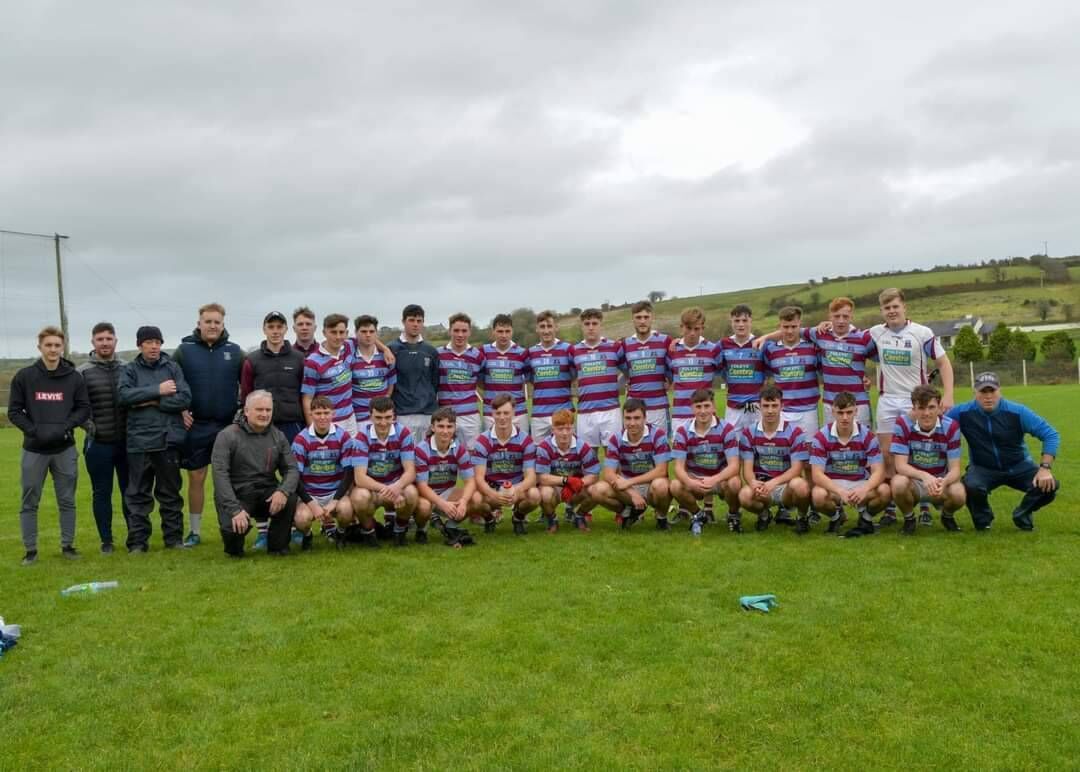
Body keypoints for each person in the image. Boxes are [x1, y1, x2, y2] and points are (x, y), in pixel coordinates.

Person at [868, 287, 954, 524]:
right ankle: (890, 508)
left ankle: (924, 504)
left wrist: (948, 395)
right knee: (887, 455)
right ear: (882, 311)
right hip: (887, 399)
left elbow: (943, 363)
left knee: (918, 451)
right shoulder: (875, 333)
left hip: (917, 401)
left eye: (895, 306)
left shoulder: (922, 333)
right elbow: (851, 348)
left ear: (904, 307)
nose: (891, 311)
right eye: (887, 308)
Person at [9, 326, 91, 565]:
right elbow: (14, 410)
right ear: (40, 347)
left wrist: (64, 427)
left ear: (62, 347)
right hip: (34, 449)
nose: (53, 349)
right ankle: (31, 550)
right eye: (48, 345)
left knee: (67, 500)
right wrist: (34, 431)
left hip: (64, 449)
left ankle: (68, 546)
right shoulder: (25, 376)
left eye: (57, 345)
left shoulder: (74, 377)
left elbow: (83, 408)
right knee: (29, 501)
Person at [946, 372, 1060, 531]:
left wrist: (1045, 468)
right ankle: (983, 521)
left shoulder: (1018, 412)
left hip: (1018, 466)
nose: (988, 396)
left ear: (1000, 391)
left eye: (992, 391)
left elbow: (1050, 434)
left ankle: (1023, 513)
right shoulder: (962, 412)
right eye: (983, 392)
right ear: (975, 393)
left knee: (1049, 485)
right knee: (971, 485)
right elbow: (937, 425)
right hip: (983, 468)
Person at [172, 302, 245, 547]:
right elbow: (169, 381)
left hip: (227, 425)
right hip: (197, 425)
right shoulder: (184, 350)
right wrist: (181, 408)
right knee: (197, 476)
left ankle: (235, 525)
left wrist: (242, 411)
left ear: (223, 325)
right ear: (199, 323)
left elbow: (247, 385)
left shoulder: (235, 352)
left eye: (217, 322)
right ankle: (194, 531)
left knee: (230, 478)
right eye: (208, 321)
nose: (212, 326)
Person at [118, 326, 192, 553]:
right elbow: (123, 396)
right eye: (149, 342)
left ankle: (174, 540)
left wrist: (153, 401)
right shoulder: (130, 369)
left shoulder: (172, 367)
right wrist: (157, 390)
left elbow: (185, 397)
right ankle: (138, 543)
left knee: (170, 493)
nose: (154, 346)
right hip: (139, 441)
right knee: (138, 495)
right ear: (140, 345)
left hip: (168, 440)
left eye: (157, 342)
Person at [210, 390, 299, 557]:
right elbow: (220, 476)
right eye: (259, 410)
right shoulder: (227, 436)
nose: (264, 414)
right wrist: (235, 509)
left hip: (266, 492)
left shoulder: (278, 436)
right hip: (238, 494)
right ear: (246, 411)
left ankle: (277, 547)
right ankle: (234, 545)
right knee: (233, 541)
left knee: (289, 498)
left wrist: (283, 491)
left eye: (268, 410)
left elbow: (292, 469)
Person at [77, 321, 131, 554]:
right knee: (102, 492)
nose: (105, 343)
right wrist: (91, 428)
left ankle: (135, 537)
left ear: (115, 341)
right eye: (100, 339)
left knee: (131, 491)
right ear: (93, 342)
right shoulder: (82, 372)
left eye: (109, 338)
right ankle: (106, 540)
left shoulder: (127, 368)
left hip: (128, 443)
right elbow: (74, 407)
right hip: (98, 444)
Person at [809, 392, 891, 538]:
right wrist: (840, 492)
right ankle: (836, 517)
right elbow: (816, 474)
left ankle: (865, 519)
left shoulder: (868, 436)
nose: (845, 417)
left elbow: (879, 471)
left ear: (856, 411)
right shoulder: (821, 436)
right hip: (834, 485)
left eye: (849, 412)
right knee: (817, 495)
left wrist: (864, 489)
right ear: (833, 412)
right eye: (840, 413)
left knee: (885, 491)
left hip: (859, 483)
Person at [737, 384, 814, 534]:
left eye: (774, 405)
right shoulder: (749, 433)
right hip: (762, 485)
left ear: (782, 406)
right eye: (766, 405)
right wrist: (753, 483)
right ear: (759, 406)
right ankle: (764, 515)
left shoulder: (795, 432)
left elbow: (797, 468)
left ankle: (802, 517)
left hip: (786, 487)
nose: (770, 410)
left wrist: (774, 483)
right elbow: (747, 468)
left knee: (802, 486)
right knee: (744, 495)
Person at [890, 385, 965, 534]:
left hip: (940, 482)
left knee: (959, 493)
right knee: (898, 483)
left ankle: (947, 516)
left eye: (931, 407)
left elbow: (956, 469)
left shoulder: (951, 427)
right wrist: (924, 476)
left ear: (939, 407)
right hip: (915, 482)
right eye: (921, 408)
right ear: (914, 408)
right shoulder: (903, 424)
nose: (927, 413)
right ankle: (909, 519)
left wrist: (944, 482)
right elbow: (900, 466)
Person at [350, 396, 424, 546]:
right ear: (370, 415)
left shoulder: (403, 433)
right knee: (359, 497)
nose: (383, 422)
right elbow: (360, 478)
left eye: (388, 417)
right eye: (378, 418)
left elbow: (410, 471)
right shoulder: (361, 436)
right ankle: (369, 532)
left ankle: (399, 531)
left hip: (397, 486)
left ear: (394, 416)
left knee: (411, 492)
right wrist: (387, 490)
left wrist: (397, 487)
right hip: (373, 489)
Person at [590, 398, 672, 530]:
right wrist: (632, 492)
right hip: (627, 489)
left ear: (645, 418)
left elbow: (661, 471)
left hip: (651, 485)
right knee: (597, 490)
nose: (632, 423)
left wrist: (629, 482)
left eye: (636, 418)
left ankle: (661, 518)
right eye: (628, 418)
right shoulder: (616, 438)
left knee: (661, 485)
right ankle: (628, 511)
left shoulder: (658, 435)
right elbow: (608, 473)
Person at [670, 389, 742, 535]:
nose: (703, 411)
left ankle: (733, 515)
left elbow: (734, 466)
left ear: (714, 407)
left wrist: (714, 479)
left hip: (719, 479)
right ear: (692, 408)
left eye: (706, 406)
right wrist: (690, 482)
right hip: (695, 478)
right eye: (698, 407)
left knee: (735, 483)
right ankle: (698, 514)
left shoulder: (727, 429)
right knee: (675, 485)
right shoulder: (682, 431)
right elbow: (678, 467)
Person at [291, 395, 356, 550]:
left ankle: (340, 533)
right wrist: (311, 504)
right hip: (311, 493)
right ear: (311, 414)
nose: (322, 417)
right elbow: (295, 477)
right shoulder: (301, 440)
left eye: (326, 413)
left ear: (333, 414)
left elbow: (349, 473)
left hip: (335, 492)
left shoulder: (343, 437)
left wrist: (335, 500)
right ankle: (307, 535)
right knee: (301, 519)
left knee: (346, 511)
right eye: (318, 413)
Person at [470, 393, 541, 534]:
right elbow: (478, 478)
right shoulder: (482, 441)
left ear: (513, 413)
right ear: (492, 414)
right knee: (476, 499)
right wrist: (494, 495)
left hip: (516, 487)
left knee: (534, 495)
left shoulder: (525, 440)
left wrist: (517, 490)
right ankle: (489, 519)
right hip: (493, 488)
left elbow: (531, 477)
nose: (502, 417)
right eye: (498, 413)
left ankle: (518, 517)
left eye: (506, 413)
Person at [415, 407, 478, 547]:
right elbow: (422, 486)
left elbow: (470, 481)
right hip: (426, 495)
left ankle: (450, 527)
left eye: (449, 426)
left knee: (475, 498)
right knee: (424, 507)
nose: (445, 431)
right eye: (441, 426)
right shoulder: (421, 449)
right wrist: (441, 503)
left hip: (446, 493)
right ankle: (421, 529)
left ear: (455, 428)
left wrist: (463, 501)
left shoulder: (459, 449)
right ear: (433, 427)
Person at [240, 311, 305, 445]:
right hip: (262, 425)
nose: (275, 331)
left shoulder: (299, 358)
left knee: (293, 466)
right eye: (271, 327)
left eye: (279, 327)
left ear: (286, 329)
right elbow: (246, 395)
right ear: (264, 329)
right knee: (262, 466)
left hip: (293, 425)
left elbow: (305, 393)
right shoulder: (252, 360)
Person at [536, 408, 601, 533]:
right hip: (554, 487)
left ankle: (579, 515)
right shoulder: (544, 447)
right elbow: (542, 477)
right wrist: (566, 481)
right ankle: (552, 519)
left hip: (575, 488)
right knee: (544, 494)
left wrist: (577, 484)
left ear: (573, 429)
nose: (565, 433)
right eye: (560, 429)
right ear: (553, 430)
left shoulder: (583, 446)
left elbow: (594, 475)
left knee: (597, 490)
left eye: (568, 428)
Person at [761, 306, 820, 440]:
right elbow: (766, 373)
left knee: (808, 452)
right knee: (784, 455)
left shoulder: (812, 347)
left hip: (809, 410)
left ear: (800, 324)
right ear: (779, 326)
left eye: (794, 326)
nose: (790, 331)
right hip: (783, 411)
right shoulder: (771, 349)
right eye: (785, 327)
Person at [571, 308, 624, 448]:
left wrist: (617, 387)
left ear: (601, 325)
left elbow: (629, 372)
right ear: (582, 326)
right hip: (585, 412)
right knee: (588, 458)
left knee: (613, 456)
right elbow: (568, 377)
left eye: (594, 323)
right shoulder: (574, 350)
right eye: (587, 324)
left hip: (611, 411)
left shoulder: (614, 347)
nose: (591, 327)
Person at [389, 303, 440, 440]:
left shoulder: (431, 351)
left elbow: (434, 382)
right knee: (406, 456)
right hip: (403, 414)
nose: (415, 324)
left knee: (426, 456)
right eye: (411, 320)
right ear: (403, 322)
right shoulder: (392, 349)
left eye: (419, 321)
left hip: (428, 413)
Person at [301, 313, 357, 434]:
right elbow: (307, 398)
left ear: (346, 333)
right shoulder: (313, 361)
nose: (338, 337)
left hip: (351, 418)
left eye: (341, 332)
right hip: (328, 421)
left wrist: (385, 350)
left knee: (352, 453)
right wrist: (312, 430)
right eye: (333, 332)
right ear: (324, 332)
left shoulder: (349, 346)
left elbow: (367, 338)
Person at [667, 307, 720, 435]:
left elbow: (723, 372)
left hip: (705, 414)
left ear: (702, 328)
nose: (692, 333)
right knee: (681, 454)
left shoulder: (713, 349)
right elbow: (668, 376)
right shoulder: (672, 350)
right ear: (681, 327)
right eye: (688, 328)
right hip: (680, 415)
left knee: (707, 454)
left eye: (696, 329)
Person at [622, 301, 672, 431]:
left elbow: (674, 366)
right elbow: (622, 369)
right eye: (638, 317)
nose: (642, 321)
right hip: (634, 409)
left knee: (661, 447)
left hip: (658, 407)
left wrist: (670, 381)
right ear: (632, 319)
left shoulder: (665, 341)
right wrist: (627, 380)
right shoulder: (625, 344)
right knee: (633, 448)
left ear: (652, 318)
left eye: (646, 317)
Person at [437, 312, 485, 448]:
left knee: (472, 456)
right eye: (456, 330)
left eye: (464, 331)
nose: (460, 335)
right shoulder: (438, 354)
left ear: (469, 332)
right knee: (446, 457)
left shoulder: (478, 356)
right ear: (449, 331)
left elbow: (482, 382)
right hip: (445, 415)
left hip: (470, 416)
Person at [527, 310, 574, 442]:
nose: (546, 331)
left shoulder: (568, 349)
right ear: (537, 329)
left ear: (556, 327)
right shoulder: (530, 353)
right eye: (542, 327)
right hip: (539, 414)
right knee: (540, 454)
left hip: (564, 412)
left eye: (549, 326)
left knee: (568, 452)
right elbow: (531, 378)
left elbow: (573, 375)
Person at [717, 304, 765, 433]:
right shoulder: (723, 344)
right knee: (732, 445)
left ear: (751, 321)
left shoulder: (761, 343)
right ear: (731, 322)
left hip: (755, 406)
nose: (741, 324)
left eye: (744, 320)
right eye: (737, 321)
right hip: (733, 406)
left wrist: (767, 337)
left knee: (757, 445)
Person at [480, 313, 531, 436]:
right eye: (500, 331)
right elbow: (479, 381)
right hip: (492, 412)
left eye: (507, 331)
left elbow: (528, 379)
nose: (504, 335)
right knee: (493, 450)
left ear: (512, 331)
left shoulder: (522, 353)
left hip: (518, 412)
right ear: (493, 332)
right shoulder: (483, 352)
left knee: (520, 448)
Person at [351, 314, 396, 428]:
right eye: (364, 331)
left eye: (371, 331)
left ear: (376, 333)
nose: (368, 335)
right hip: (358, 418)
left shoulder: (386, 356)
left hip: (382, 418)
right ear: (356, 333)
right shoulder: (350, 356)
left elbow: (391, 382)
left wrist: (387, 397)